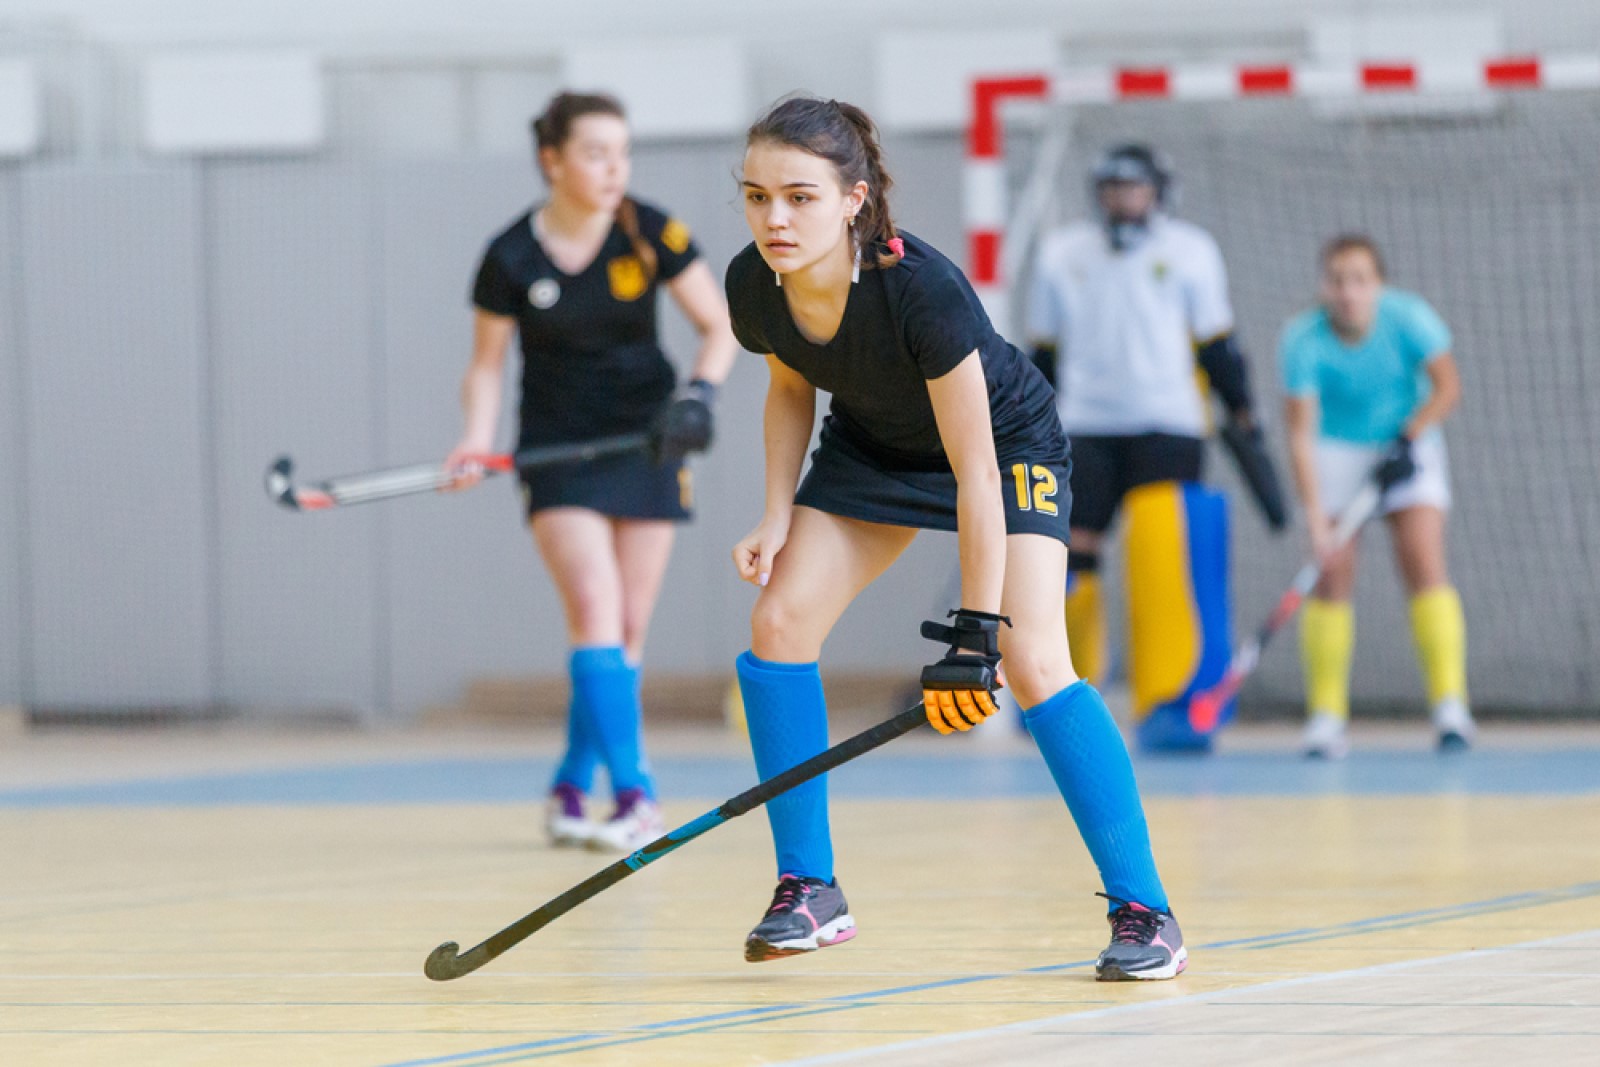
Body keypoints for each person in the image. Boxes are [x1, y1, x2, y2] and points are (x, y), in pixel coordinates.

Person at [725, 96, 1184, 981]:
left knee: (1034, 658)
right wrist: (777, 512)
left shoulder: (919, 287)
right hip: (875, 448)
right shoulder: (757, 280)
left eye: (799, 197)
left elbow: (977, 471)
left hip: (1003, 449)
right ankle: (808, 887)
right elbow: (790, 387)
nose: (774, 218)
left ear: (854, 198)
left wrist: (978, 630)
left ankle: (1146, 910)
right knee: (779, 623)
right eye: (755, 196)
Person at [446, 91, 737, 849]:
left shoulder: (649, 230)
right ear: (553, 160)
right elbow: (484, 367)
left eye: (623, 152)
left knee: (626, 631)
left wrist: (698, 396)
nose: (615, 168)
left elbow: (719, 325)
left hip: (647, 446)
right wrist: (476, 438)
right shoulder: (510, 255)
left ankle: (572, 785)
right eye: (596, 152)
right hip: (559, 453)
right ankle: (637, 797)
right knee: (596, 607)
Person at [1027, 144, 1276, 751]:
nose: (1121, 198)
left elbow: (1216, 342)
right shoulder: (1063, 254)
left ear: (1159, 192)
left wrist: (1242, 406)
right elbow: (1044, 356)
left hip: (1169, 424)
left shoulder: (1191, 251)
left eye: (1133, 187)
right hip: (1083, 424)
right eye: (1111, 187)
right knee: (1072, 553)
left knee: (1162, 550)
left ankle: (1170, 697)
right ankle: (1064, 695)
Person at [1281, 234, 1472, 759]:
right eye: (1337, 280)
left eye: (1359, 280)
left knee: (1424, 561)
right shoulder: (1302, 339)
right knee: (1331, 574)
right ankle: (1325, 716)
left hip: (1408, 443)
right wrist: (1317, 517)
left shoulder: (1410, 319)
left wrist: (1409, 437)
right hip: (1337, 453)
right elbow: (1300, 434)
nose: (1348, 292)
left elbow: (1448, 389)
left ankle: (1451, 706)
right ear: (1324, 286)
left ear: (1377, 284)